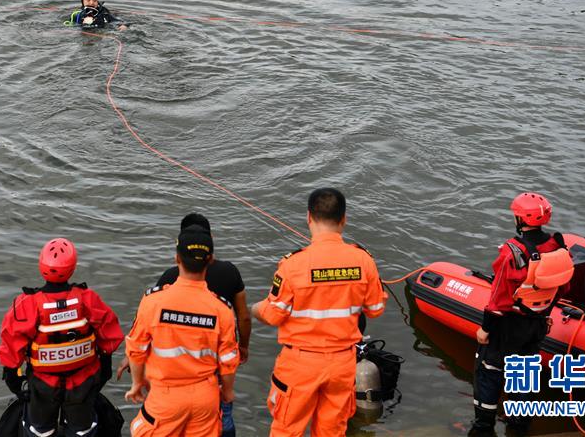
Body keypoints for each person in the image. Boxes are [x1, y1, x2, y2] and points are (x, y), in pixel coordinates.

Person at [252, 187, 387, 437]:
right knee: (332, 431)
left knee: (286, 430)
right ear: (344, 219)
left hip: (301, 363)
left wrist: (254, 309)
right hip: (342, 364)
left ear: (308, 217)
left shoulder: (293, 264)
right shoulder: (363, 261)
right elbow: (376, 309)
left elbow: (273, 315)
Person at [117, 213, 250, 437]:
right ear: (209, 259)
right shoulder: (221, 309)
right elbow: (228, 358)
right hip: (206, 395)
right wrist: (227, 391)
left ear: (177, 258)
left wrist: (137, 383)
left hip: (165, 394)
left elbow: (137, 348)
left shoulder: (154, 301)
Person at [0, 238, 124, 437]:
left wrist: (13, 381)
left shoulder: (27, 304)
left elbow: (11, 344)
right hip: (82, 383)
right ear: (72, 268)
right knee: (82, 431)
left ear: (41, 265)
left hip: (43, 385)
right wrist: (105, 369)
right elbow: (109, 336)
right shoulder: (88, 298)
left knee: (39, 431)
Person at [470, 192, 573, 437]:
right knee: (524, 371)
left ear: (520, 219)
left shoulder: (513, 252)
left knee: (489, 371)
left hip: (508, 325)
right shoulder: (558, 247)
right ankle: (519, 425)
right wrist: (544, 313)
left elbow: (499, 300)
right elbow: (563, 288)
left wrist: (485, 329)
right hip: (537, 323)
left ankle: (483, 428)